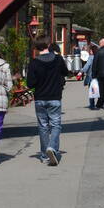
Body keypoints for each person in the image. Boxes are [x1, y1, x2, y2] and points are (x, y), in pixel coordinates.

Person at [27, 37, 72, 166]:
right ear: (48, 45)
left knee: (43, 126)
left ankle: (44, 155)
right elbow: (65, 72)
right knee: (56, 125)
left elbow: (30, 84)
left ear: (36, 47)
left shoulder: (34, 63)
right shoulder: (58, 60)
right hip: (55, 98)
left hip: (40, 98)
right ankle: (52, 148)